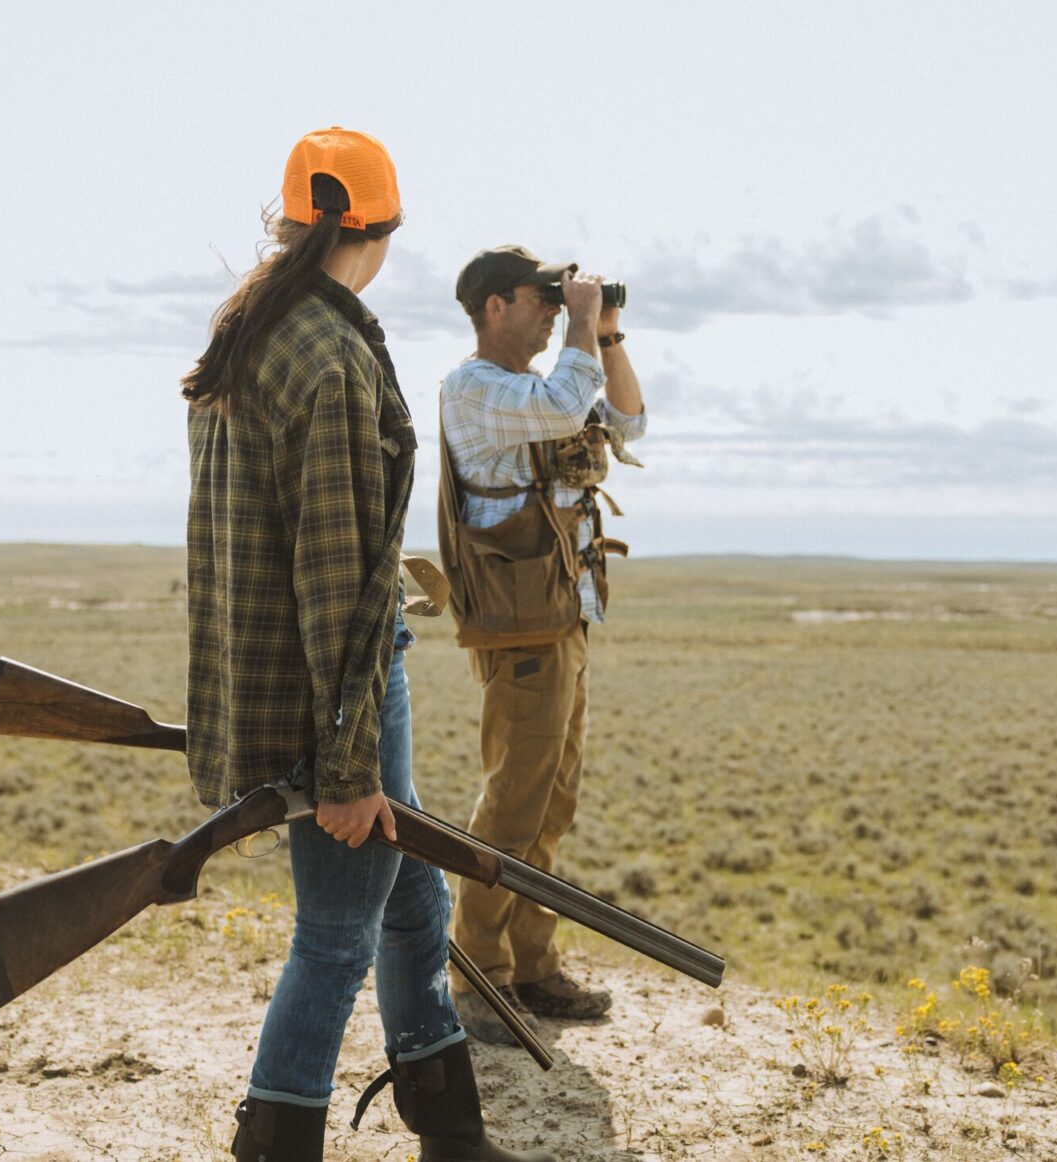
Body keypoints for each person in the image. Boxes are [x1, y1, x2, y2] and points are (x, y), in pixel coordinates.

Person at [183, 130, 554, 1162]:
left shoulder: (250, 327)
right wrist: (345, 770)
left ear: (294, 218)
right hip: (333, 680)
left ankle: (447, 1128)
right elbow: (338, 581)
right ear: (379, 231)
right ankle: (276, 1142)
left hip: (279, 677)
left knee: (413, 896)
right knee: (339, 929)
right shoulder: (332, 354)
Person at [437, 245, 647, 1045]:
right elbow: (569, 405)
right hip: (520, 623)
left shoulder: (541, 383)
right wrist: (586, 322)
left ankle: (534, 965)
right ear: (494, 306)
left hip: (563, 615)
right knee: (514, 805)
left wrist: (611, 333)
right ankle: (479, 975)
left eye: (560, 301)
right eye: (542, 298)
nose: (556, 310)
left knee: (552, 803)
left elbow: (627, 421)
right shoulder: (478, 389)